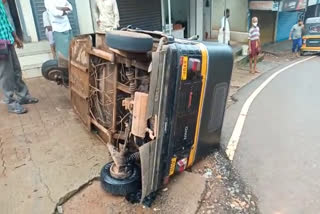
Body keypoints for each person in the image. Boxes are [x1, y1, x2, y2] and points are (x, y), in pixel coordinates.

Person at [0, 0, 38, 114]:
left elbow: (6, 22)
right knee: (6, 75)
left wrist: (15, 37)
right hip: (1, 44)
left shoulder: (1, 4)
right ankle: (11, 102)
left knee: (16, 70)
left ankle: (23, 96)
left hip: (9, 41)